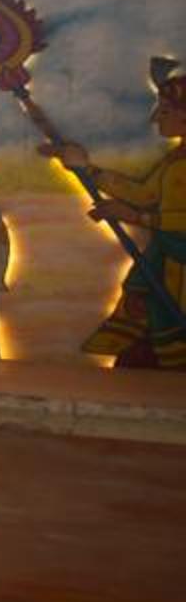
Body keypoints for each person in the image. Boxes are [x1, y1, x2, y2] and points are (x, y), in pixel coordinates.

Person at [45, 57, 186, 369]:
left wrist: (138, 219)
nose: (155, 119)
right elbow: (144, 195)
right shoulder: (175, 160)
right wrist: (87, 169)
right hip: (166, 264)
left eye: (164, 111)